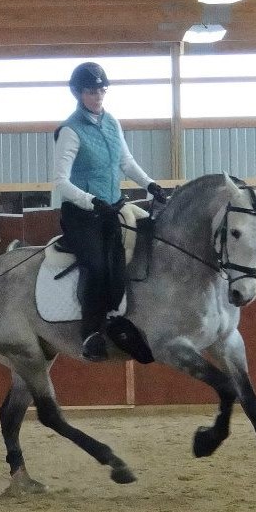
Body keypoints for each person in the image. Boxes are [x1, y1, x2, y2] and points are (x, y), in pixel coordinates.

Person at [53, 61, 166, 361]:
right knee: (98, 266)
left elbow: (125, 161)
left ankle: (116, 320)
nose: (98, 95)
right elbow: (60, 181)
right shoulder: (70, 131)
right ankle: (89, 333)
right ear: (78, 93)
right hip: (81, 215)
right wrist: (90, 201)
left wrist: (150, 184)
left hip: (110, 211)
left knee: (119, 267)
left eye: (102, 90)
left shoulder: (111, 122)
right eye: (92, 91)